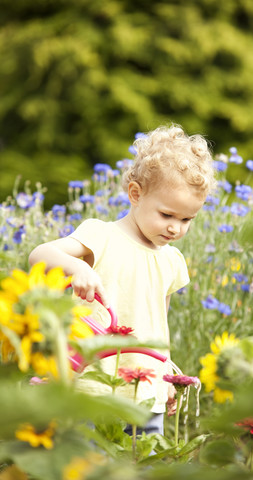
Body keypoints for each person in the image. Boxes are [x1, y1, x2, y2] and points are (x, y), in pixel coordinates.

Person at [29, 124, 215, 435]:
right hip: (92, 385)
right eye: (167, 215)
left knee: (138, 464)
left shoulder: (171, 259)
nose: (175, 229)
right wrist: (77, 268)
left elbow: (159, 324)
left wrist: (166, 372)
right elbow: (40, 255)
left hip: (146, 392)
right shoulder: (101, 236)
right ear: (135, 194)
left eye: (186, 220)